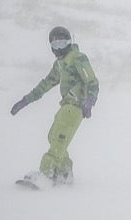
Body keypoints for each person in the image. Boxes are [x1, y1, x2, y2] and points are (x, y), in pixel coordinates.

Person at [10, 26, 98, 186]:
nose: (59, 48)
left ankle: (46, 174)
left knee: (59, 138)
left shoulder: (77, 58)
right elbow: (46, 84)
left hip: (76, 105)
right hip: (67, 105)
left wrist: (90, 100)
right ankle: (64, 173)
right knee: (53, 136)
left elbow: (91, 80)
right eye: (55, 45)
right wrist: (26, 100)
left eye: (62, 43)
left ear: (69, 42)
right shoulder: (60, 64)